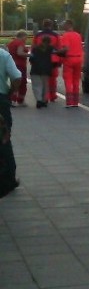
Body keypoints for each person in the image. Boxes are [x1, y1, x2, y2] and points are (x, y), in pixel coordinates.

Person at [0, 45, 22, 197]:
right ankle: (8, 178)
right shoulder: (3, 55)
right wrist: (10, 93)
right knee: (4, 139)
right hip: (1, 102)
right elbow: (17, 77)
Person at [32, 19, 61, 102]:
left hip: (41, 60)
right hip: (53, 59)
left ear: (43, 25)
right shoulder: (56, 36)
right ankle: (53, 95)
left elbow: (34, 48)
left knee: (43, 79)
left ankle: (45, 96)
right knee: (52, 79)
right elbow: (59, 48)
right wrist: (60, 61)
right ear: (51, 25)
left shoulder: (38, 36)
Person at [58, 19, 84, 107]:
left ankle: (69, 102)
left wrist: (58, 52)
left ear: (68, 25)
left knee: (68, 80)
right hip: (79, 59)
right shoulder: (78, 35)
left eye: (64, 25)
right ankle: (76, 102)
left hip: (69, 59)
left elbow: (66, 49)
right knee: (76, 80)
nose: (63, 27)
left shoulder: (66, 35)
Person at [29, 35, 55, 109]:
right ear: (49, 42)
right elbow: (56, 55)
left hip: (36, 69)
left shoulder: (35, 48)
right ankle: (44, 100)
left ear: (42, 41)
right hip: (46, 69)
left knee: (37, 86)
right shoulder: (51, 48)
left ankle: (39, 100)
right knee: (45, 85)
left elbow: (31, 59)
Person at [6, 30, 29, 107]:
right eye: (26, 37)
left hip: (11, 64)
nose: (26, 39)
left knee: (13, 83)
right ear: (22, 36)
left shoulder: (11, 43)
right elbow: (20, 53)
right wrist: (30, 55)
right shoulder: (20, 43)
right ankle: (20, 100)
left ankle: (11, 99)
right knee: (22, 83)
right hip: (20, 65)